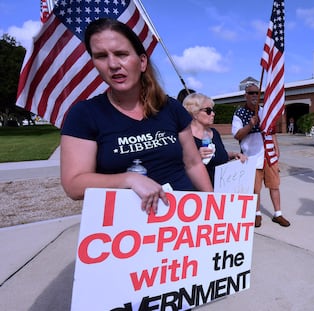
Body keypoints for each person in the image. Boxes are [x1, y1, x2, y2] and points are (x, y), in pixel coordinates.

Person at [60, 18, 213, 214]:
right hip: (128, 231)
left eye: (121, 54)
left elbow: (193, 164)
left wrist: (212, 208)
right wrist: (129, 179)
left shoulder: (171, 107)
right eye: (101, 56)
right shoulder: (84, 114)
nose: (113, 64)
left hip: (182, 223)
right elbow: (74, 185)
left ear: (142, 62)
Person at [232, 83, 290, 228]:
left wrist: (276, 149)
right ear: (245, 95)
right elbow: (237, 135)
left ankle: (278, 214)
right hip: (251, 157)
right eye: (251, 93)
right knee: (254, 189)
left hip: (268, 156)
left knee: (274, 185)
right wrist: (250, 126)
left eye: (257, 93)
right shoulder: (239, 113)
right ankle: (256, 214)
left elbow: (272, 132)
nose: (254, 96)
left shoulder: (266, 112)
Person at [183, 93, 246, 185]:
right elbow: (176, 166)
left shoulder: (214, 133)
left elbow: (218, 156)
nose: (213, 114)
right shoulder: (184, 136)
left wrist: (234, 155)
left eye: (212, 110)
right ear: (194, 113)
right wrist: (195, 157)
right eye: (208, 111)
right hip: (197, 191)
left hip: (220, 188)